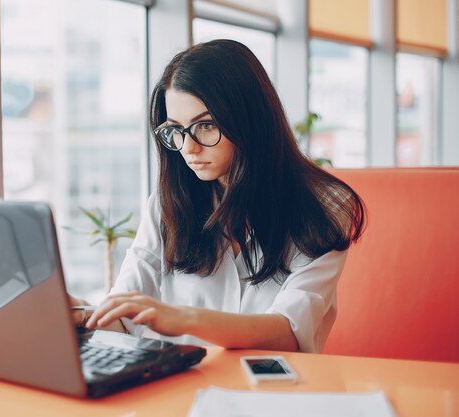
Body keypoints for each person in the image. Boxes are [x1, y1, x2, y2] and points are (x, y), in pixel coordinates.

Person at [72, 39, 365, 353]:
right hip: (179, 391)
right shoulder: (169, 203)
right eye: (176, 129)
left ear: (248, 119)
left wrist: (185, 319)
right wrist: (81, 315)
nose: (188, 147)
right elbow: (125, 317)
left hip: (274, 393)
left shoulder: (324, 208)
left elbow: (289, 331)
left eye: (206, 126)